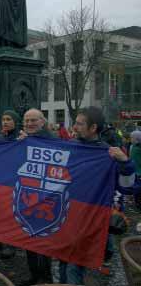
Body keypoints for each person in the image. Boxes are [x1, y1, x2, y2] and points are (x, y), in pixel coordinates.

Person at [59, 107, 136, 285]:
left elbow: (127, 187)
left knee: (73, 266)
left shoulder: (108, 153)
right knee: (63, 261)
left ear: (93, 128)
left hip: (90, 220)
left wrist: (125, 163)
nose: (74, 127)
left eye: (79, 123)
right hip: (68, 216)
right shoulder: (70, 146)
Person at [18, 108, 54, 286]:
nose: (30, 124)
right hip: (27, 196)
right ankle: (34, 276)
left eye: (33, 120)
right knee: (29, 238)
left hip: (47, 199)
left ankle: (46, 279)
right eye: (27, 120)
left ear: (42, 122)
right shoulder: (23, 140)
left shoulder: (54, 141)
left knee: (44, 242)